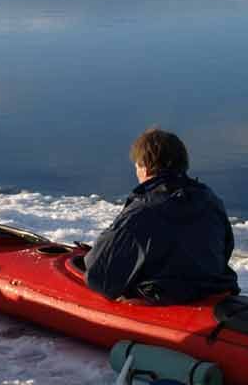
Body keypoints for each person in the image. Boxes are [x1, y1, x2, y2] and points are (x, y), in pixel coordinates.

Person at [83, 128, 238, 304]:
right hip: (213, 290)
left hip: (161, 302)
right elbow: (226, 248)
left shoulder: (142, 211)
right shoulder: (209, 199)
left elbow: (100, 277)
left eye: (137, 166)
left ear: (145, 167)